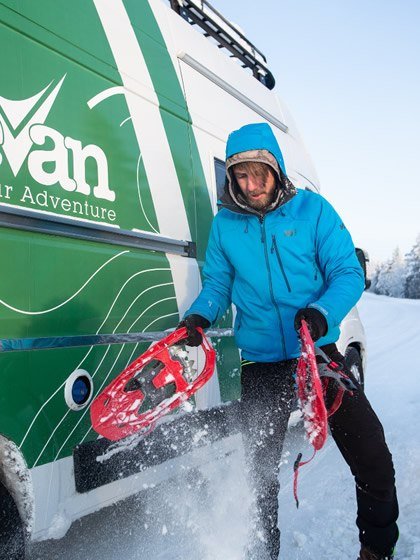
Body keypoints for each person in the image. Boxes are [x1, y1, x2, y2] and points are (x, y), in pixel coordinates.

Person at [179, 122, 399, 560]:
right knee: (257, 477)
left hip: (316, 352)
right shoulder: (225, 226)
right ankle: (263, 553)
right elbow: (218, 284)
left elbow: (347, 273)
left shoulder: (313, 211)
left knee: (371, 451)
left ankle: (376, 549)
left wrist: (320, 315)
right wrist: (198, 317)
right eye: (241, 175)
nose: (252, 184)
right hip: (262, 361)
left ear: (276, 169)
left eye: (260, 173)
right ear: (231, 178)